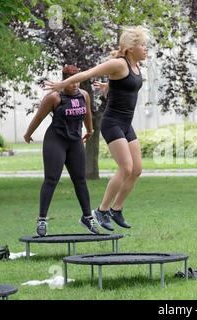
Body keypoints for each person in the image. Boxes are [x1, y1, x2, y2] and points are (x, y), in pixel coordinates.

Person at [44, 26, 148, 232]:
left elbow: (123, 90)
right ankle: (100, 212)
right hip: (112, 123)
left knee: (136, 170)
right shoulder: (119, 63)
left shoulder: (136, 66)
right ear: (130, 48)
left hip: (126, 124)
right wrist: (62, 84)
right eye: (143, 45)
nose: (146, 49)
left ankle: (116, 210)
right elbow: (87, 73)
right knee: (125, 168)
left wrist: (108, 89)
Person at [24, 65, 99, 236]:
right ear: (65, 80)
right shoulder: (54, 98)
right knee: (51, 179)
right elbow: (39, 117)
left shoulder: (84, 95)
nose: (75, 85)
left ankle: (87, 217)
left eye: (78, 81)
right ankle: (42, 220)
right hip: (55, 141)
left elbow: (87, 113)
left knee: (80, 180)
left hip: (75, 142)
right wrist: (28, 134)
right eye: (72, 81)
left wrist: (90, 130)